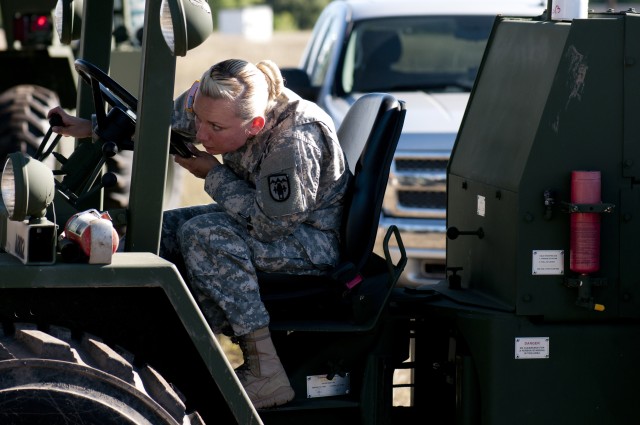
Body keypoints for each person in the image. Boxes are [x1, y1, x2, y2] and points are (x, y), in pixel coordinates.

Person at [48, 58, 351, 409]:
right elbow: (164, 122)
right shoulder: (219, 101)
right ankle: (158, 351)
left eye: (215, 128)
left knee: (205, 237)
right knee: (164, 230)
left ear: (254, 125)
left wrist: (213, 175)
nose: (201, 134)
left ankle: (266, 371)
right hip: (269, 218)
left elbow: (272, 226)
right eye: (199, 118)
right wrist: (91, 127)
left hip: (308, 241)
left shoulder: (294, 140)